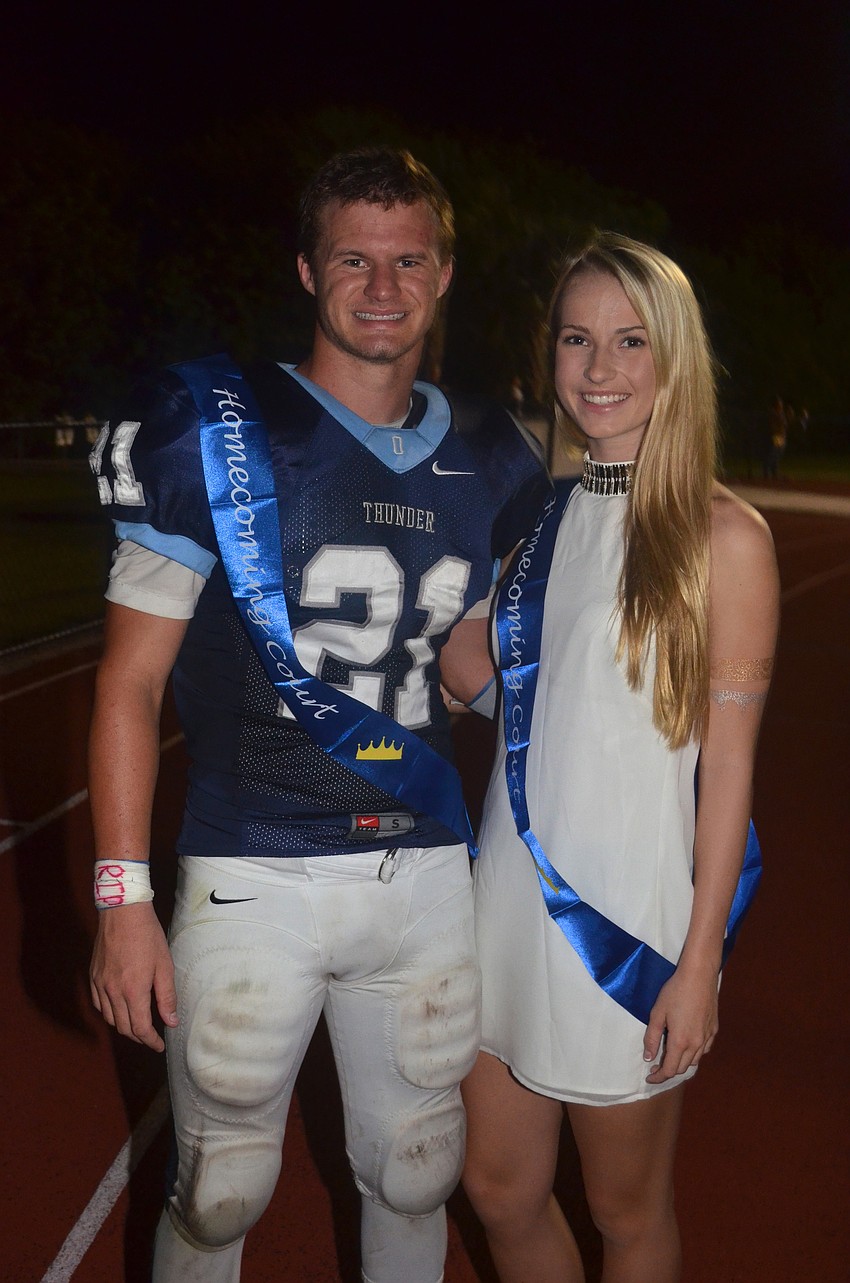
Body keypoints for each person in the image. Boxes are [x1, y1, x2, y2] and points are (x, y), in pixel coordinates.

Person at [87, 146, 549, 1283]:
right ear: (307, 268)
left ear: (443, 275)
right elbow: (127, 683)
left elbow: (467, 670)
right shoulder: (218, 432)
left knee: (417, 1167)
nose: (382, 287)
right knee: (222, 1187)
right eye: (355, 258)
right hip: (257, 876)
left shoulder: (497, 456)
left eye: (407, 260)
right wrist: (120, 900)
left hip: (425, 872)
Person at [461, 231, 780, 1282]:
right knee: (500, 1190)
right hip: (502, 899)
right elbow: (494, 691)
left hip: (623, 923)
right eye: (576, 338)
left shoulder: (721, 537)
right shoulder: (538, 525)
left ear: (673, 357)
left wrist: (700, 964)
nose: (598, 369)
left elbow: (728, 768)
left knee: (625, 1208)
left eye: (629, 340)